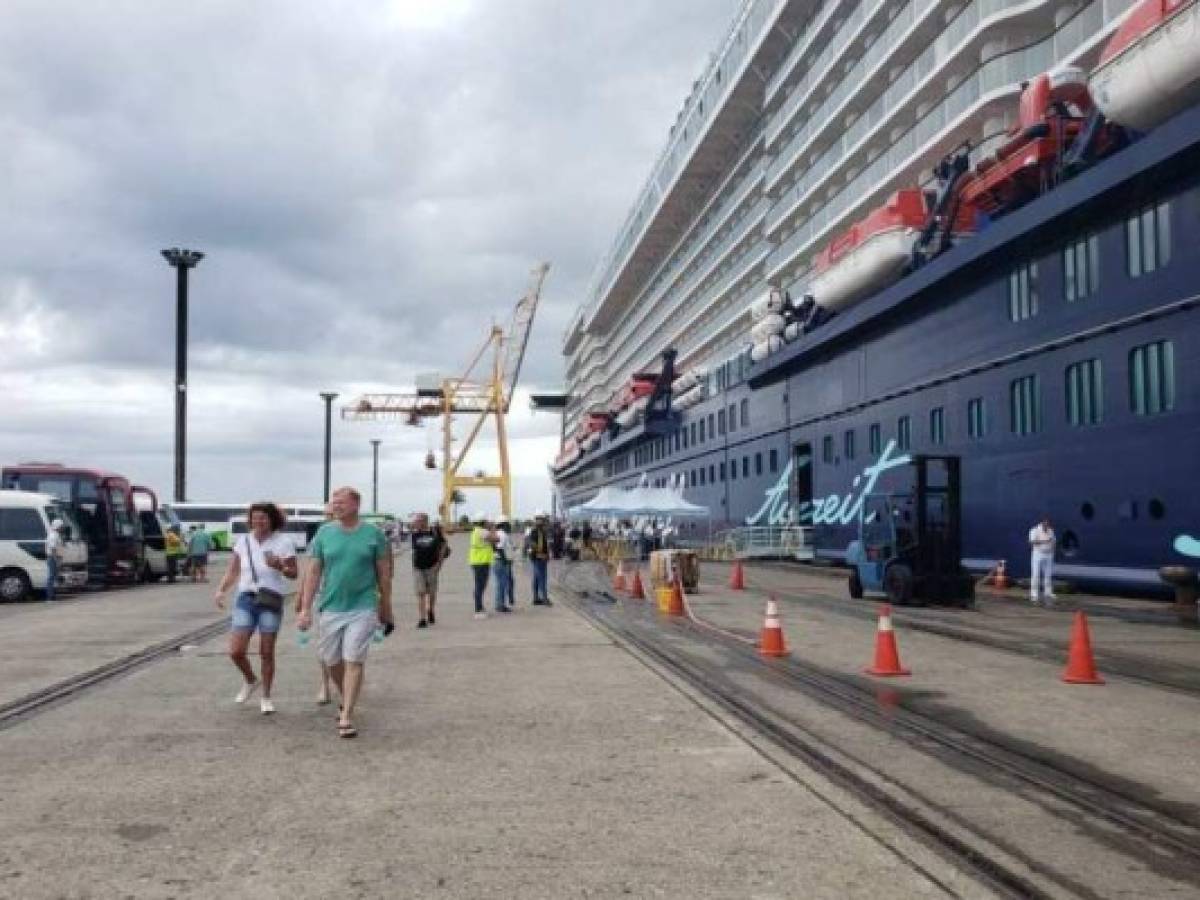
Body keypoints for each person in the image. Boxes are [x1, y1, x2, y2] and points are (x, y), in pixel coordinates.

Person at [297, 487, 394, 738]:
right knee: (331, 661)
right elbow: (314, 572)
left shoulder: (374, 535)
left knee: (354, 659)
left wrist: (386, 607)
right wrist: (305, 608)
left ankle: (347, 715)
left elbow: (384, 575)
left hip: (363, 606)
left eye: (341, 502)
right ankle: (345, 695)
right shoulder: (324, 533)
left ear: (356, 504)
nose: (335, 506)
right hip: (331, 607)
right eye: (333, 502)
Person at [213, 502, 298, 715]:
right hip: (245, 598)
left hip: (270, 599)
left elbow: (294, 573)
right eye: (255, 518)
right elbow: (233, 570)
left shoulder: (284, 542)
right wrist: (221, 590)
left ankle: (266, 696)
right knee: (236, 651)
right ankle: (251, 680)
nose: (258, 522)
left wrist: (280, 566)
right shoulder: (243, 541)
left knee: (266, 651)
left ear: (272, 520)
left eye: (263, 518)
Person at [410, 512, 449, 628]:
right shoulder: (414, 535)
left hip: (432, 566)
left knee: (431, 592)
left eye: (418, 521)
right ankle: (422, 618)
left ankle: (430, 610)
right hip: (418, 568)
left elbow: (444, 545)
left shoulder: (434, 532)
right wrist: (413, 565)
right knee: (420, 592)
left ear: (424, 521)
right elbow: (414, 551)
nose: (416, 523)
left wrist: (440, 563)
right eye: (415, 521)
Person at [468, 516, 496, 620]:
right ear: (483, 522)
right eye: (487, 521)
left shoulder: (476, 531)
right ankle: (478, 609)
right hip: (481, 561)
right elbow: (495, 539)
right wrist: (493, 528)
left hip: (477, 561)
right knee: (480, 586)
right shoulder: (482, 532)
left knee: (479, 586)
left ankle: (479, 607)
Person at [1028, 516, 1057, 606]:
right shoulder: (1034, 530)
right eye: (1046, 523)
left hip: (1049, 554)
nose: (1047, 525)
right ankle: (1034, 594)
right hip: (1038, 554)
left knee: (1048, 574)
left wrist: (1052, 547)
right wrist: (1044, 541)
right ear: (1042, 522)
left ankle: (1048, 593)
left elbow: (1054, 540)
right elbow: (1031, 542)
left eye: (1048, 523)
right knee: (1036, 574)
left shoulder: (1050, 531)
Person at [527, 511, 552, 606]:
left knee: (537, 578)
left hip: (539, 558)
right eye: (544, 520)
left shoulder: (541, 531)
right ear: (539, 520)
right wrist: (542, 554)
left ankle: (536, 598)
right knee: (542, 578)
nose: (546, 521)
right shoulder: (535, 531)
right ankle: (544, 598)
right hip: (539, 558)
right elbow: (532, 544)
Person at [493, 518, 514, 613]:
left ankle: (499, 604)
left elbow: (495, 547)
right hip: (501, 562)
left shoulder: (497, 534)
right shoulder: (503, 535)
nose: (509, 526)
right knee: (502, 584)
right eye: (507, 524)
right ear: (503, 524)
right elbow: (499, 548)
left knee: (499, 584)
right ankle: (500, 605)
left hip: (497, 561)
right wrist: (505, 560)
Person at [45, 519, 65, 601]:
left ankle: (53, 594)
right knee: (51, 577)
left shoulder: (56, 534)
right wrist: (56, 560)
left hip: (55, 558)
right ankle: (50, 597)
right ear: (58, 526)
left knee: (54, 576)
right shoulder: (53, 535)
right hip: (53, 558)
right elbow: (53, 549)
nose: (62, 528)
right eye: (61, 526)